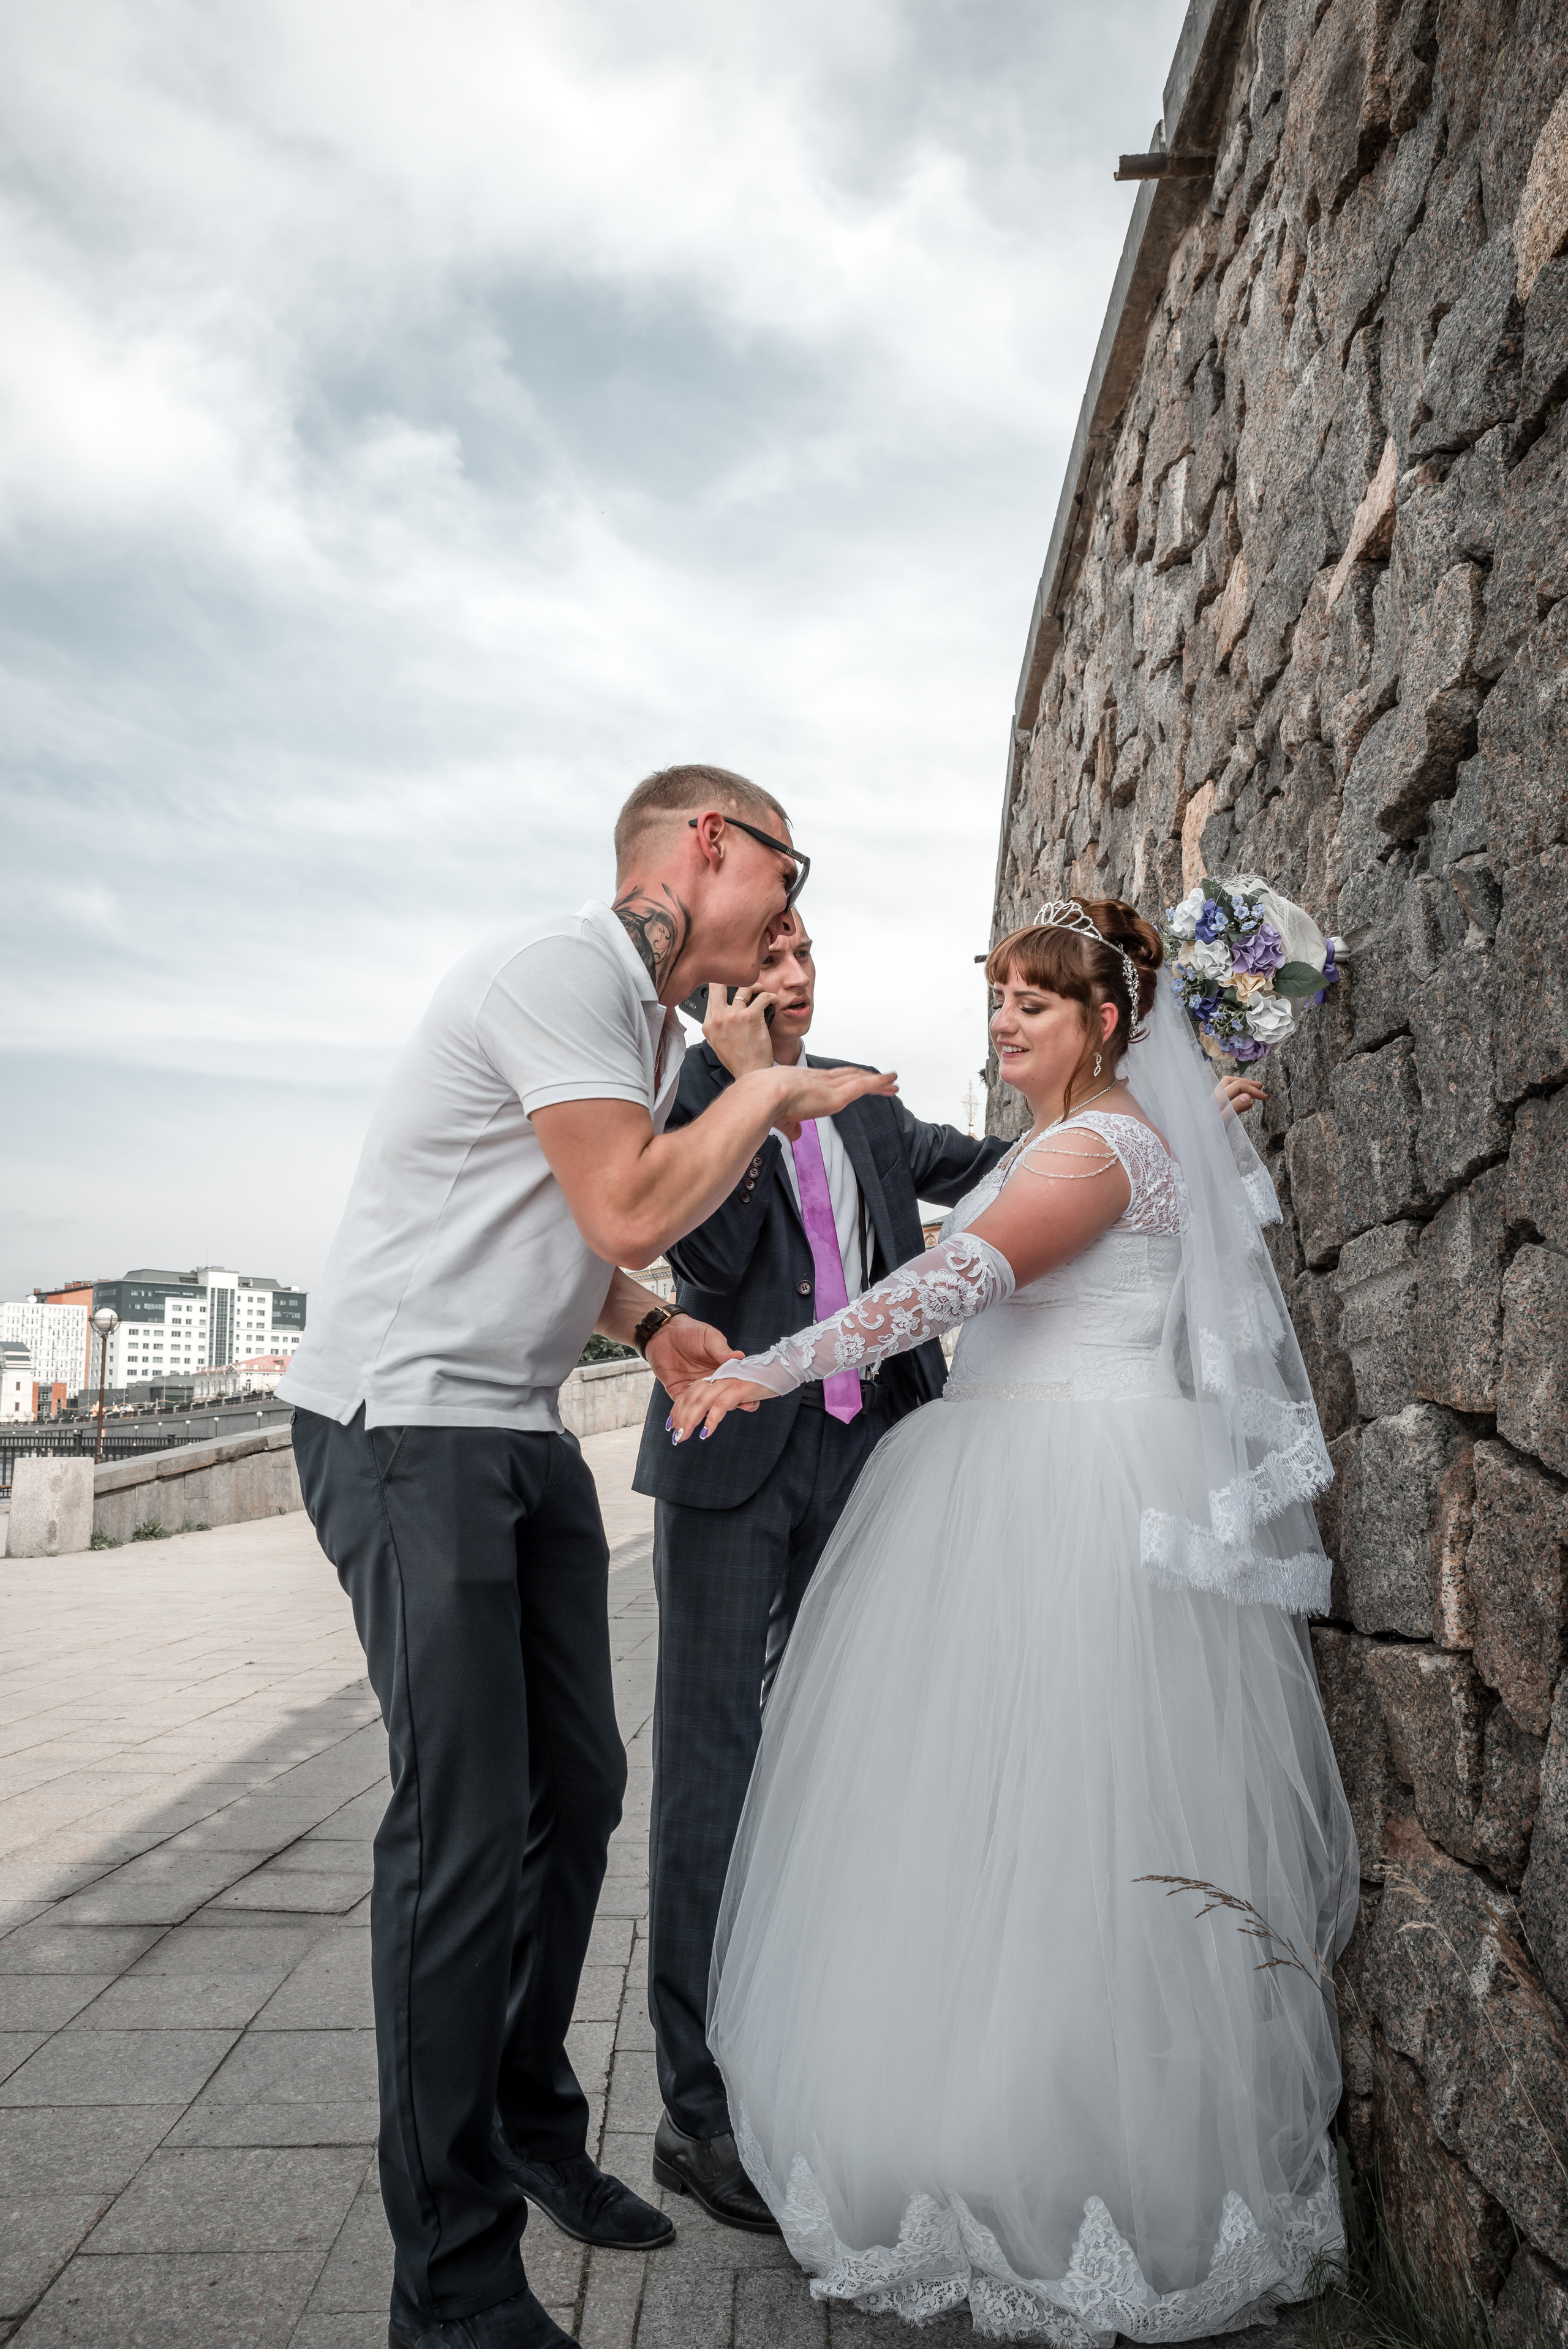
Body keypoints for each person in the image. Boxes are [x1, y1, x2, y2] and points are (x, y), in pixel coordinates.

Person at [668, 898, 1357, 2342]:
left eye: (1030, 1006)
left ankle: (1074, 2163)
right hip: (997, 1476)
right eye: (995, 1000)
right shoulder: (1068, 1139)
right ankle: (972, 2126)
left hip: (1067, 1498)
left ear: (1103, 1026)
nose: (1000, 1024)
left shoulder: (1102, 1147)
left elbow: (952, 1281)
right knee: (974, 1825)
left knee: (1060, 1823)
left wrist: (772, 1367)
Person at [278, 764, 896, 2349]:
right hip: (403, 1423)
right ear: (708, 847)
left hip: (516, 1426)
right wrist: (767, 1087)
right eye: (785, 866)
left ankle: (538, 2122)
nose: (786, 910)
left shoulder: (635, 1016)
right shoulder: (562, 969)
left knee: (585, 1787)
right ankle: (456, 2284)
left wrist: (645, 1314)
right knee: (463, 1828)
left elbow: (568, 1218)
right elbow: (625, 1188)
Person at [632, 914, 1008, 2230]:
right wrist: (742, 1095)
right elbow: (716, 1267)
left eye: (800, 963)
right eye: (761, 970)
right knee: (710, 1769)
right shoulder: (681, 1110)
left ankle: (840, 2049)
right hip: (733, 1465)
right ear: (712, 1000)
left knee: (863, 1750)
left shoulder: (865, 1106)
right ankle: (694, 2108)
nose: (790, 984)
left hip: (874, 1458)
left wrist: (1164, 1111)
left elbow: (1014, 1167)